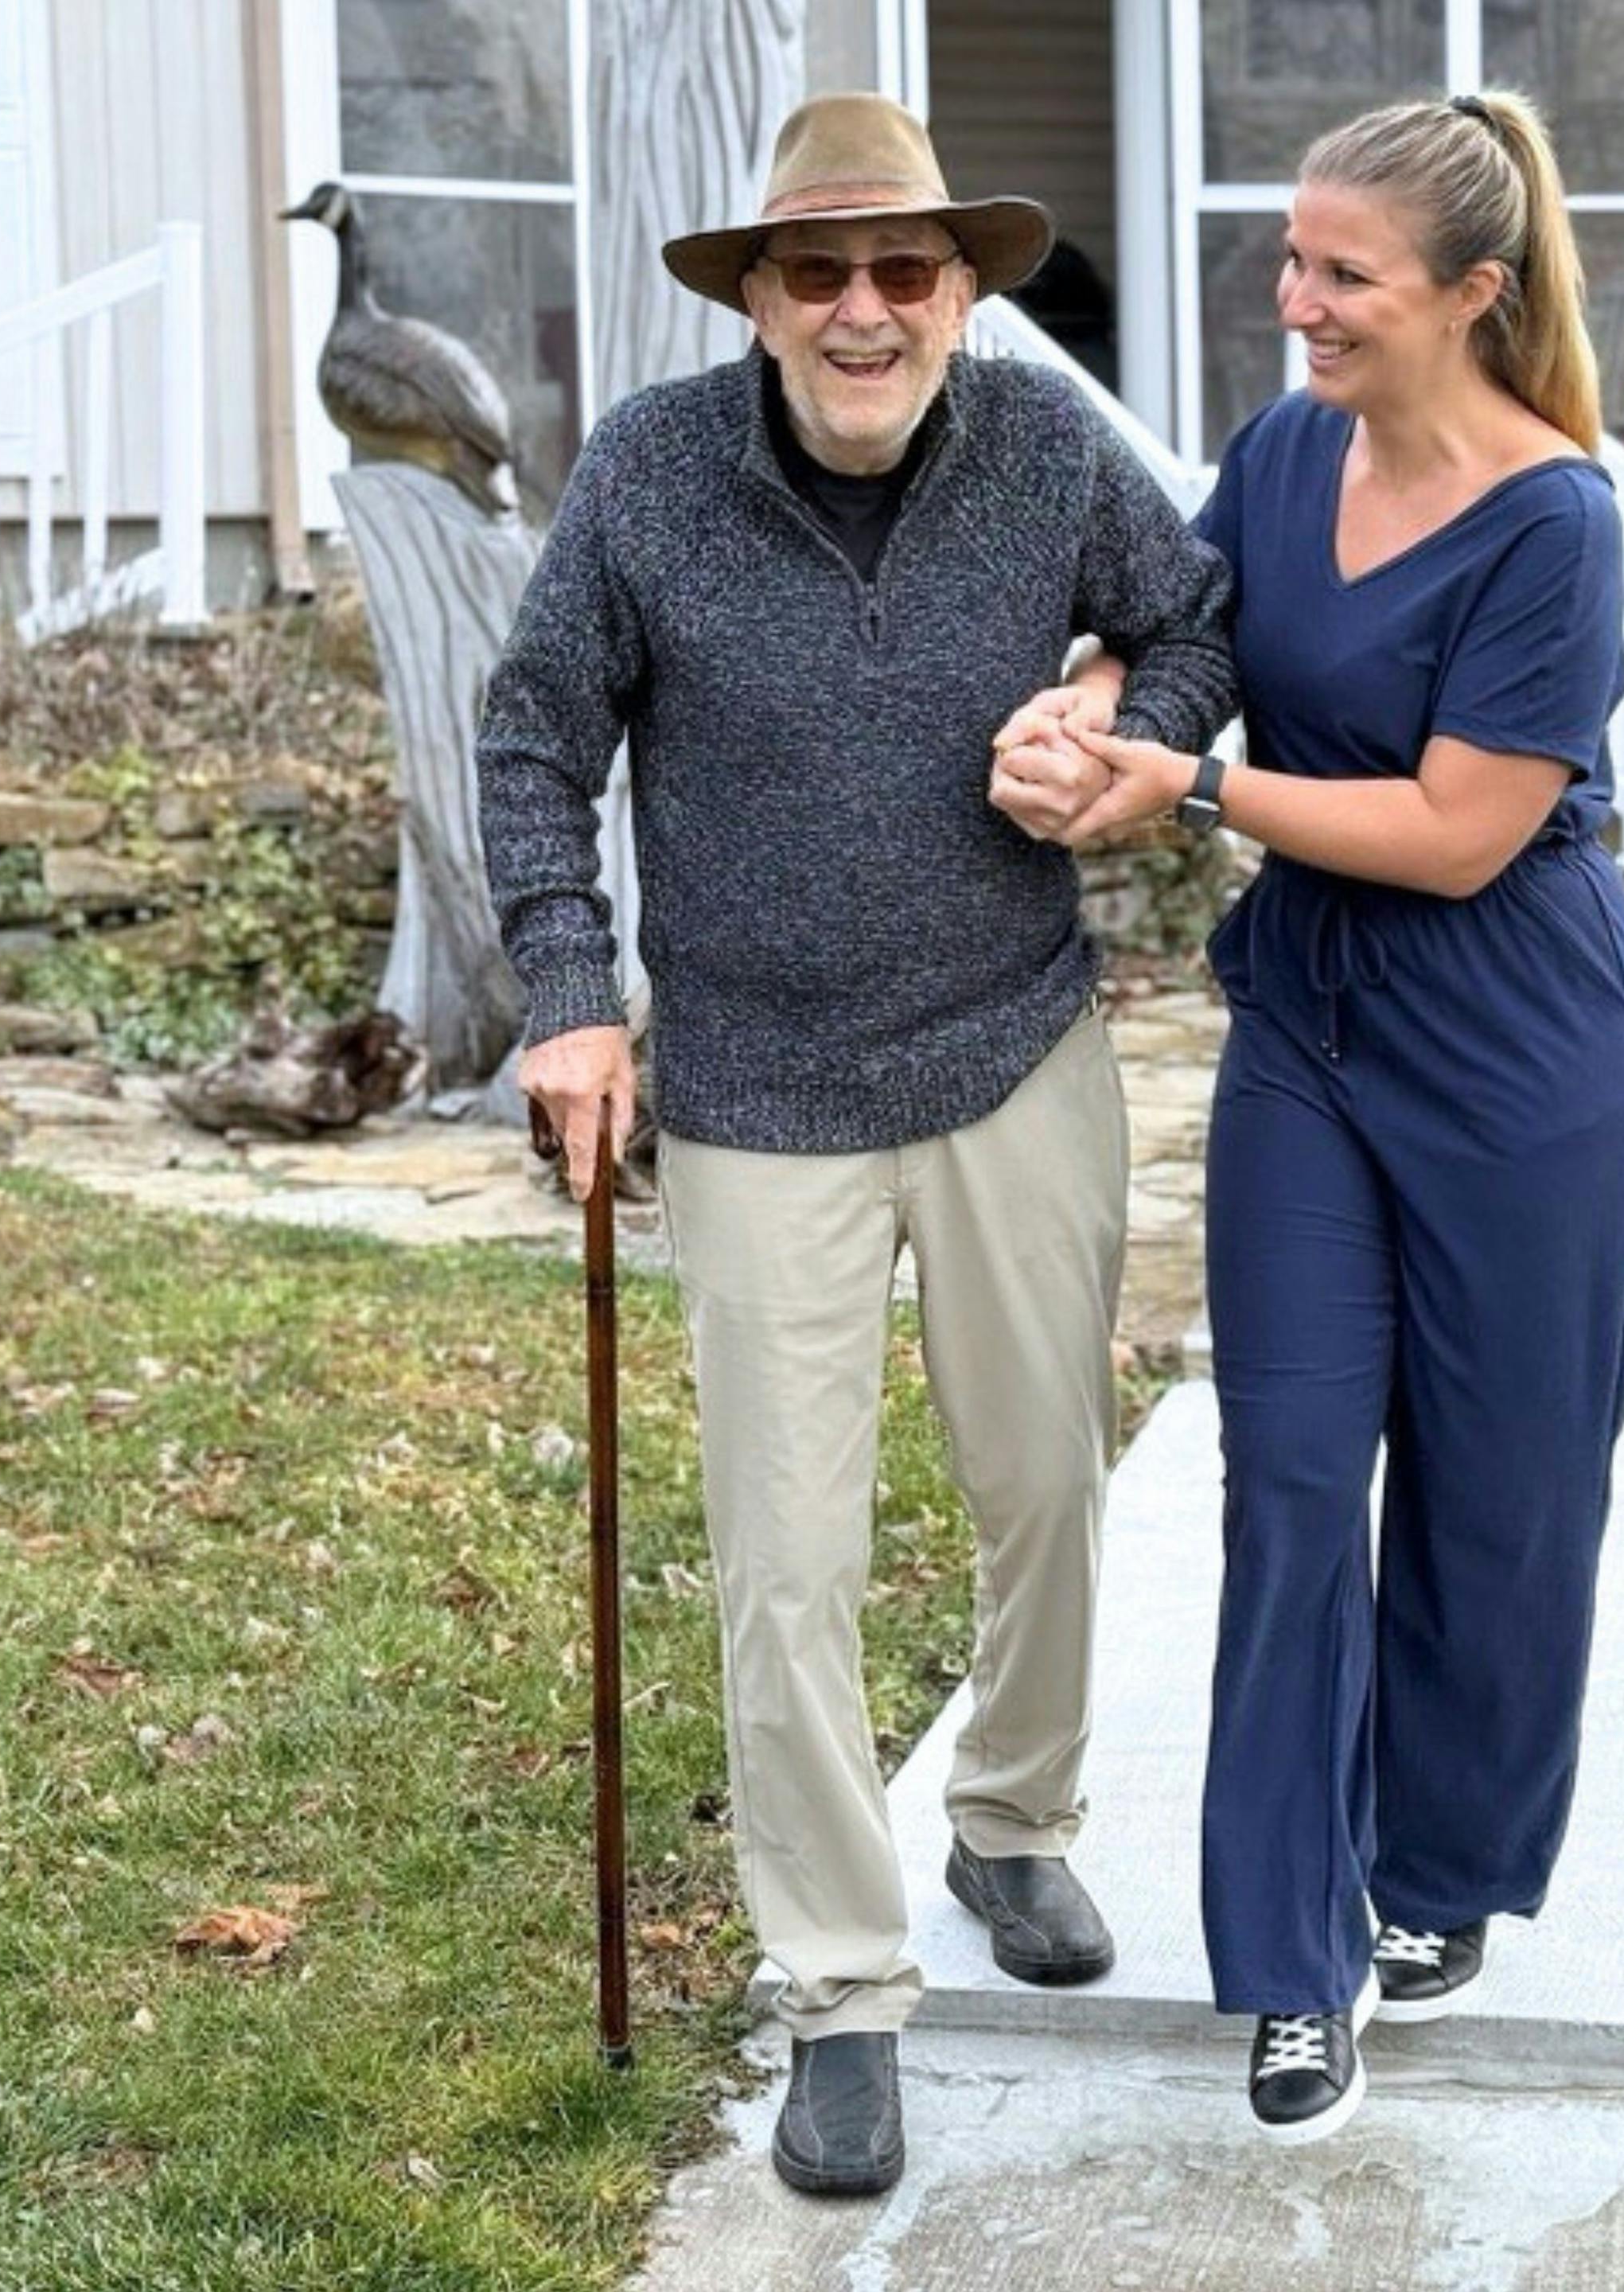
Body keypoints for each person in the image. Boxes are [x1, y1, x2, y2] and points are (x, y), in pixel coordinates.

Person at [476, 93, 1236, 2200]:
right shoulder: (651, 470)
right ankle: (840, 1988)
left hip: (1011, 1047)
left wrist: (1125, 735)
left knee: (1049, 1493)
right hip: (753, 1091)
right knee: (789, 1564)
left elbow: (1194, 620)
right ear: (763, 301)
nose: (867, 307)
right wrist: (565, 986)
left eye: (908, 269)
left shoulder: (1047, 450)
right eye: (821, 272)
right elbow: (536, 734)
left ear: (966, 289)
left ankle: (1010, 1822)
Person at [992, 88, 1624, 2145]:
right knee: (1290, 1480)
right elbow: (1195, 637)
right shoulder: (1287, 455)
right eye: (1290, 261)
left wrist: (1192, 791)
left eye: (1341, 276)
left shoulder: (1558, 520)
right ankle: (1294, 1966)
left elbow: (1464, 833)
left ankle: (1444, 1872)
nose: (1295, 305)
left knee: (1503, 1489)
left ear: (1475, 293)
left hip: (1523, 1043)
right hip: (1316, 1039)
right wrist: (1103, 714)